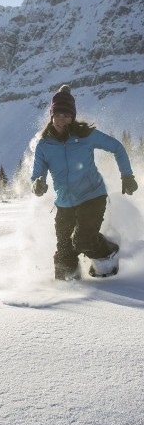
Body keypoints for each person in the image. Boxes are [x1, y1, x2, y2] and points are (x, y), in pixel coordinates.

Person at [31, 85, 136, 280]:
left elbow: (117, 147)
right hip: (64, 203)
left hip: (92, 197)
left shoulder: (85, 136)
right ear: (52, 115)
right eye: (58, 114)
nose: (62, 119)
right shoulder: (44, 145)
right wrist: (38, 185)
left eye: (67, 115)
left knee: (82, 240)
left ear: (72, 117)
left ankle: (109, 250)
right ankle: (68, 291)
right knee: (64, 252)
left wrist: (127, 175)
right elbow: (37, 175)